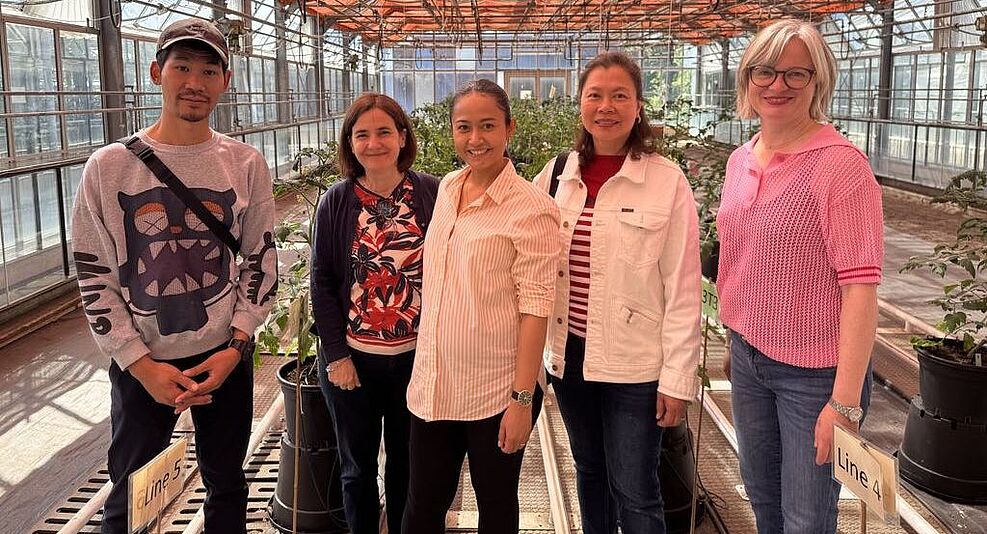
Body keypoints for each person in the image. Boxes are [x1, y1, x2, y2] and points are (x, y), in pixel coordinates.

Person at [70, 17, 278, 534]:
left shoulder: (245, 163)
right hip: (145, 362)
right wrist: (139, 365)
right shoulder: (109, 167)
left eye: (210, 70)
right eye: (182, 67)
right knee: (130, 496)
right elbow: (94, 274)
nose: (195, 82)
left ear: (226, 82)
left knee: (227, 485)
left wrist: (237, 346)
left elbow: (260, 258)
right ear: (156, 71)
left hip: (223, 356)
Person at [717, 19, 883, 533]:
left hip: (814, 376)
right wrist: (737, 332)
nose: (777, 85)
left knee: (806, 518)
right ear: (747, 80)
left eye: (795, 73)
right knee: (763, 499)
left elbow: (860, 288)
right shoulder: (741, 160)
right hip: (748, 358)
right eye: (764, 71)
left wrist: (845, 404)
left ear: (818, 82)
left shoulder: (841, 167)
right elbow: (739, 257)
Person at [535, 51, 702, 534]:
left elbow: (684, 289)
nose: (606, 106)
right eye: (595, 95)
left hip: (635, 365)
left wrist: (678, 379)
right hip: (568, 356)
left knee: (636, 489)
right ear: (580, 104)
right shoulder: (555, 175)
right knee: (589, 472)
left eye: (619, 96)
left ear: (638, 106)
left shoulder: (666, 182)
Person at [401, 79, 561, 534]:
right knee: (423, 503)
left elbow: (536, 309)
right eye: (464, 127)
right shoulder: (449, 187)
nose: (475, 139)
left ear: (510, 128)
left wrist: (521, 400)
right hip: (432, 384)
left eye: (488, 126)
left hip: (493, 391)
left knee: (495, 505)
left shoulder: (533, 210)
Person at [310, 92, 438, 534]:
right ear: (350, 143)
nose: (373, 142)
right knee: (357, 468)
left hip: (416, 359)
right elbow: (322, 282)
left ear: (402, 137)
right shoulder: (337, 201)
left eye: (384, 131)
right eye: (361, 134)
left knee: (407, 464)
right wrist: (337, 356)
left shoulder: (431, 193)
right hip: (354, 363)